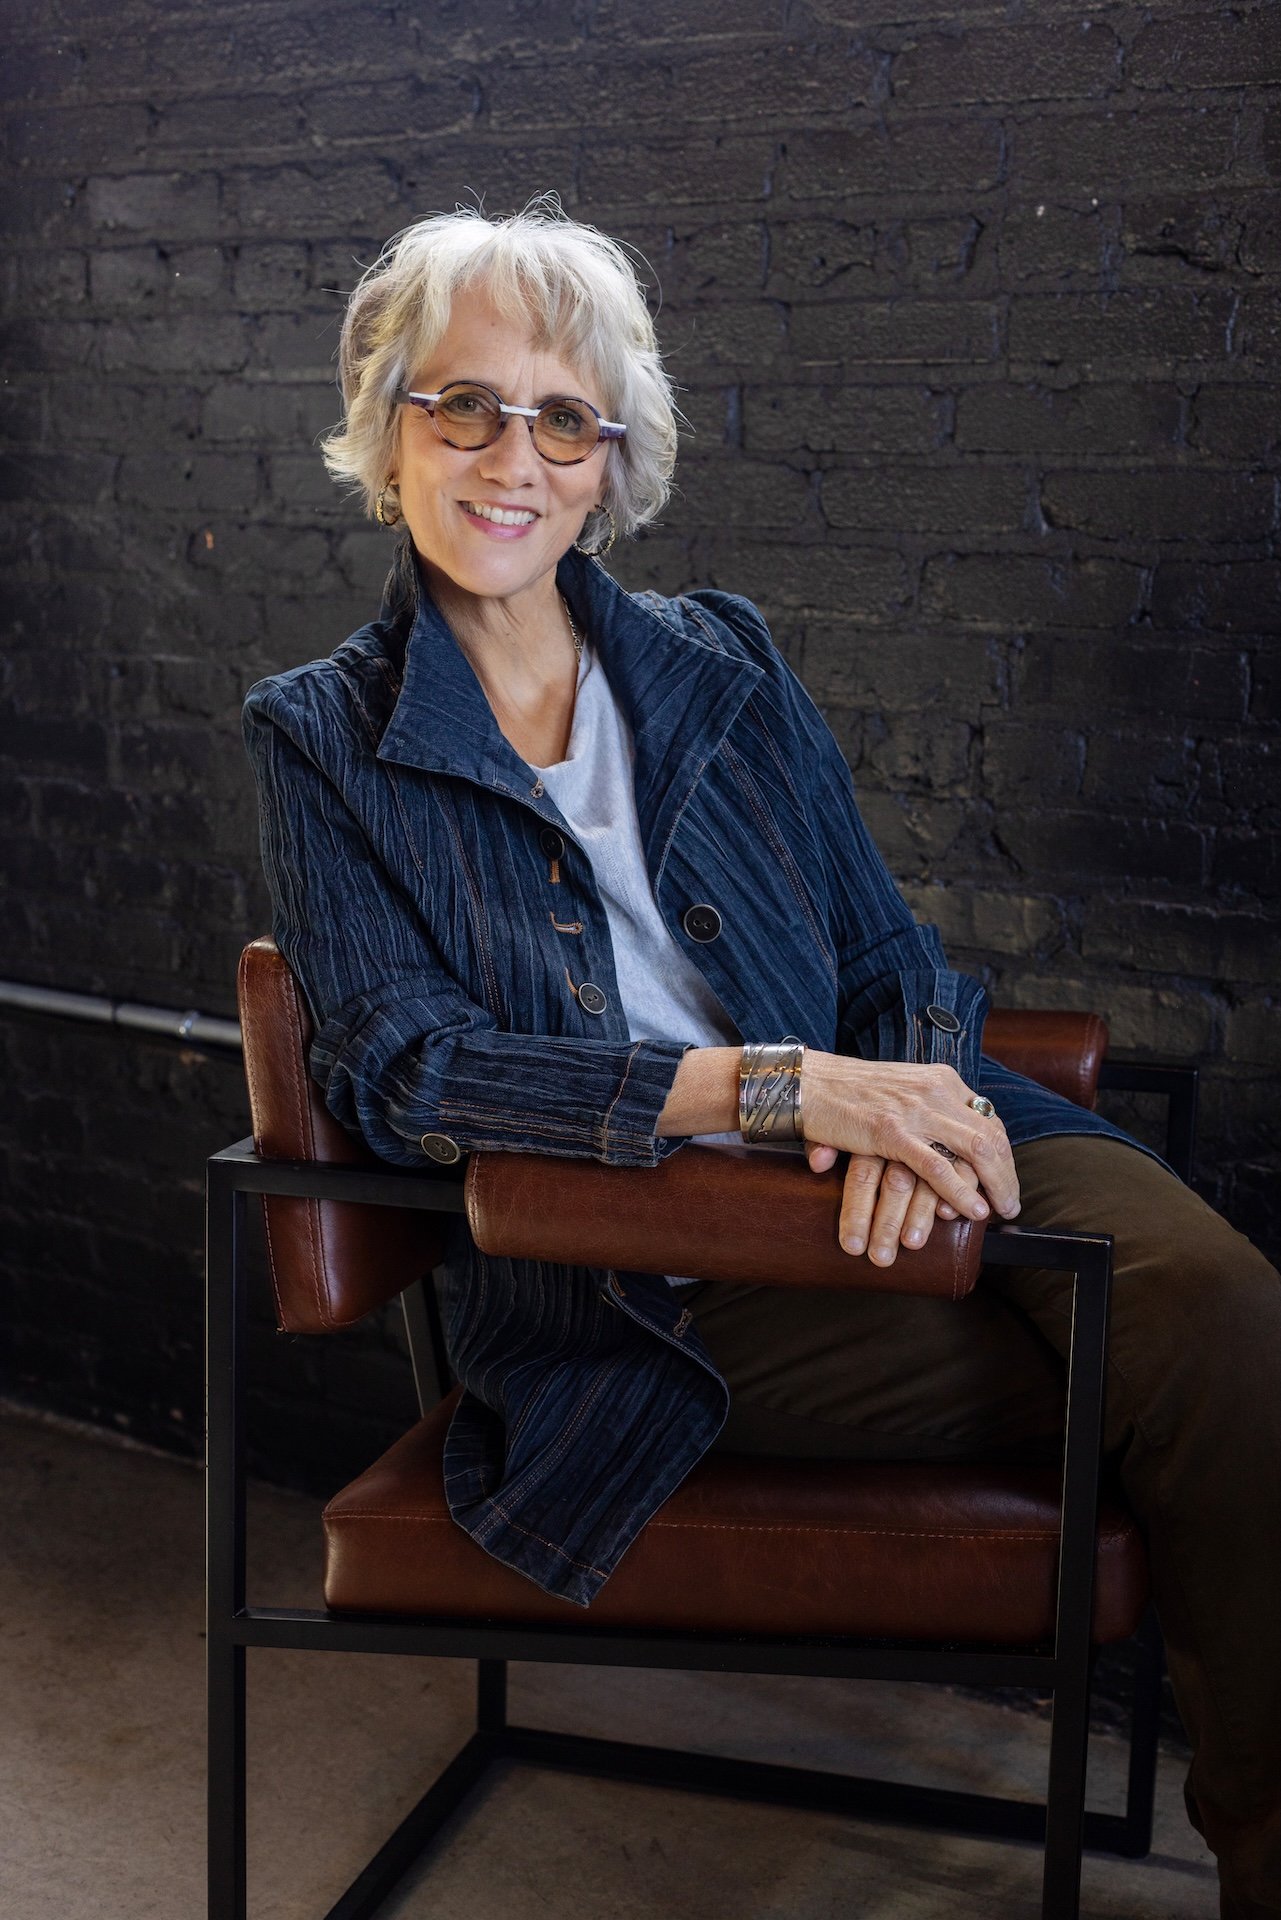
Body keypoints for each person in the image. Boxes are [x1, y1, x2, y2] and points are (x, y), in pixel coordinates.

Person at [242, 201, 1279, 1917]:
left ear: (608, 458)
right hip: (650, 1273)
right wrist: (786, 1092)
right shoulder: (320, 734)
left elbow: (885, 953)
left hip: (904, 1130)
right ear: (389, 424)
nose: (512, 458)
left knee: (1228, 1313)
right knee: (1188, 1392)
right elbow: (408, 1070)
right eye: (465, 405)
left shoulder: (718, 658)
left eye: (561, 418)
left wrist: (897, 1105)